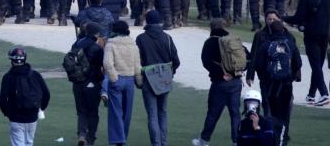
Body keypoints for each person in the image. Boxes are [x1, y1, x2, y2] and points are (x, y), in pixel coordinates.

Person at [192, 19, 248, 146]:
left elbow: (206, 62)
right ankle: (236, 141)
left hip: (219, 83)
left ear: (211, 28)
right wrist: (235, 74)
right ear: (224, 26)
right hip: (236, 83)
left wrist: (221, 75)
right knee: (235, 114)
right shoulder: (233, 41)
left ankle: (204, 141)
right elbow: (246, 59)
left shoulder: (210, 42)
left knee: (213, 113)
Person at [283, 0, 330, 106]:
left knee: (315, 65)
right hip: (325, 35)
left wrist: (284, 18)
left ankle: (324, 93)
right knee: (318, 66)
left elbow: (298, 18)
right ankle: (311, 95)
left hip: (311, 36)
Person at [250, 19, 301, 145]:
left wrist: (264, 77)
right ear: (283, 30)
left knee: (270, 113)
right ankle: (282, 140)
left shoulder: (266, 45)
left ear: (271, 30)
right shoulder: (290, 44)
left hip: (269, 85)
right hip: (286, 86)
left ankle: (270, 139)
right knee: (284, 115)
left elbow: (258, 64)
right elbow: (298, 63)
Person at [136, 10, 181, 146]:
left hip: (148, 79)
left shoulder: (141, 38)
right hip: (164, 78)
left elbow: (138, 61)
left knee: (152, 114)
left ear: (147, 22)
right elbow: (176, 61)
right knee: (162, 112)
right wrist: (169, 73)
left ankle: (156, 143)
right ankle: (164, 142)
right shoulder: (167, 38)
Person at [0, 47, 50, 146]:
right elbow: (46, 94)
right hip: (32, 116)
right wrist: (40, 108)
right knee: (29, 143)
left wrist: (8, 114)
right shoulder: (35, 74)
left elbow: (2, 101)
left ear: (12, 60)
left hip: (15, 117)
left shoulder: (7, 77)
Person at [103, 20, 142, 146]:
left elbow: (107, 63)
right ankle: (123, 139)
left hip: (117, 79)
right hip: (130, 80)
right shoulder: (133, 45)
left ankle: (117, 140)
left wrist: (113, 78)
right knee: (127, 112)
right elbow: (137, 66)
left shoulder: (111, 44)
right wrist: (138, 80)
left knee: (115, 112)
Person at [69, 22, 105, 146]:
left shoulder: (76, 44)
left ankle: (82, 135)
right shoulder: (97, 47)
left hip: (77, 82)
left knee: (81, 111)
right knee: (93, 112)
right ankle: (90, 139)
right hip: (92, 82)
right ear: (96, 33)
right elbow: (101, 66)